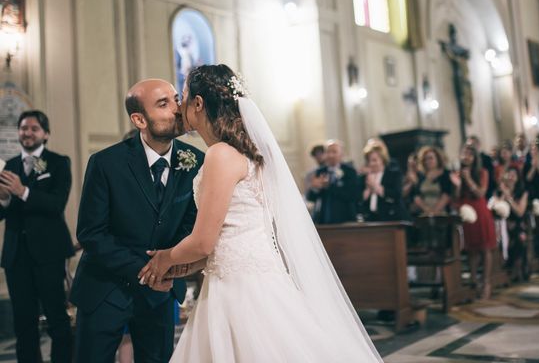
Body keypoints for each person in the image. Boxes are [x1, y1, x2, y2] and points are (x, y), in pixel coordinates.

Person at [137, 64, 382, 362]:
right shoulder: (249, 153)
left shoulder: (220, 154)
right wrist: (187, 265)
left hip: (238, 291)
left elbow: (204, 241)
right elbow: (233, 232)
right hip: (254, 278)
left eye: (184, 97)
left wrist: (165, 257)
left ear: (199, 104)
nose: (179, 107)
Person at [70, 79, 204, 363]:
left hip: (159, 295)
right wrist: (147, 272)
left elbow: (189, 224)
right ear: (139, 119)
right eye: (163, 103)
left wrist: (166, 268)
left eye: (175, 98)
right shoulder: (106, 163)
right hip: (105, 288)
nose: (177, 109)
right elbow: (91, 233)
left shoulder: (196, 160)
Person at [0, 110, 74, 363]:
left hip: (49, 253)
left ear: (46, 134)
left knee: (56, 317)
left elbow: (56, 204)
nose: (27, 132)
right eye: (23, 128)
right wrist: (4, 199)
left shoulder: (58, 163)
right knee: (23, 321)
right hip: (16, 255)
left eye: (33, 128)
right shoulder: (8, 166)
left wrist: (22, 191)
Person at [451, 143, 496, 299]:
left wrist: (468, 178)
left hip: (480, 211)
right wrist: (458, 183)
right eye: (464, 153)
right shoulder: (456, 173)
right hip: (466, 213)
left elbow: (481, 192)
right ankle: (474, 282)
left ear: (475, 157)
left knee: (485, 248)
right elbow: (455, 197)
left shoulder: (482, 172)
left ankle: (487, 283)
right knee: (471, 250)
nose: (466, 156)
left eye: (470, 154)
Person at [306, 140, 360, 224]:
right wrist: (314, 188)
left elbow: (353, 195)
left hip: (346, 218)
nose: (330, 155)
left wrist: (329, 186)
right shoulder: (320, 171)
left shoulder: (350, 171)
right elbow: (311, 198)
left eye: (334, 152)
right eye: (328, 152)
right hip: (324, 219)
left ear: (342, 154)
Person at [358, 140, 405, 221]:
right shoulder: (364, 177)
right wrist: (368, 188)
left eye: (374, 160)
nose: (371, 163)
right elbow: (360, 199)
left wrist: (375, 186)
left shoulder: (393, 174)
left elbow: (396, 195)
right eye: (369, 161)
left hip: (391, 218)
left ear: (382, 159)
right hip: (370, 219)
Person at [410, 146, 453, 216]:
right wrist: (427, 210)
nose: (428, 161)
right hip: (425, 213)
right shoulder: (421, 176)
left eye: (431, 158)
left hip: (442, 213)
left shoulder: (446, 174)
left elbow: (446, 195)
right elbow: (416, 196)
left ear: (437, 159)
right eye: (425, 159)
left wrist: (435, 212)